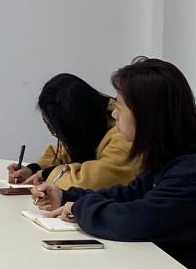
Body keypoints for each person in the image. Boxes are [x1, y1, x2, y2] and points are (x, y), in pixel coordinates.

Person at [32, 57, 196, 269]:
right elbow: (129, 194)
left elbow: (136, 221)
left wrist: (79, 208)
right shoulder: (173, 156)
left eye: (120, 106)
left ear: (146, 115)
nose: (114, 113)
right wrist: (66, 196)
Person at [7, 73, 140, 190]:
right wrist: (33, 169)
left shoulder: (125, 136)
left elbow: (89, 182)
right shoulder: (96, 119)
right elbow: (64, 152)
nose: (115, 113)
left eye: (57, 131)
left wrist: (45, 174)